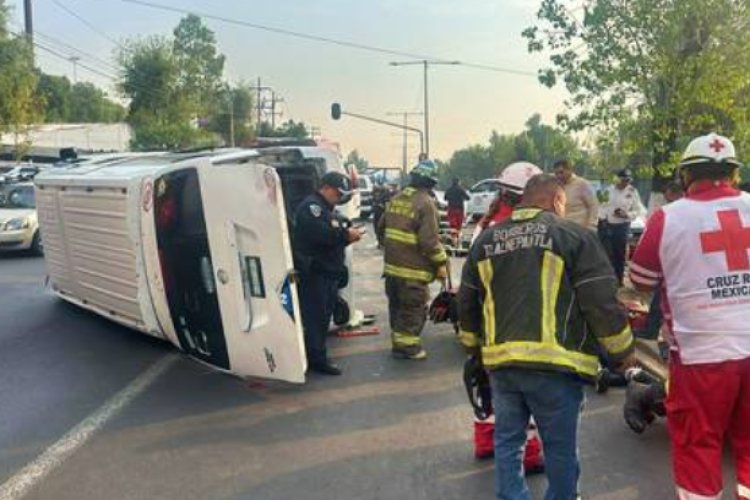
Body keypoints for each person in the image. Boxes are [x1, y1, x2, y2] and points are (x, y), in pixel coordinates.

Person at [458, 173, 635, 500]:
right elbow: (600, 302)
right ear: (556, 200)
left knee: (508, 442)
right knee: (560, 448)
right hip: (556, 367)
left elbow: (467, 302)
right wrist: (622, 351)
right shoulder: (573, 236)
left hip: (502, 367)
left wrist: (473, 349)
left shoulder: (486, 241)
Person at [629, 133, 750, 500]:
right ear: (732, 173)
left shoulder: (668, 218)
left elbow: (640, 282)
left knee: (698, 444)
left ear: (685, 176)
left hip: (700, 356)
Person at [464, 161, 545, 473]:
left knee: (487, 383)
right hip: (521, 317)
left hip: (488, 317)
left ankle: (485, 441)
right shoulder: (530, 228)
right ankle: (527, 453)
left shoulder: (486, 225)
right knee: (524, 390)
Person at [293, 172, 364, 375]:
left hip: (328, 273)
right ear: (326, 187)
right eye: (337, 193)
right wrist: (345, 235)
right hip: (316, 274)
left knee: (323, 317)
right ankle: (317, 360)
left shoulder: (326, 208)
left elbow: (333, 229)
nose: (339, 197)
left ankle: (317, 355)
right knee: (316, 318)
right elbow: (320, 234)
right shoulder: (312, 207)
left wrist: (346, 232)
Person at [377, 160, 448, 359]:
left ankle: (398, 343)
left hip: (392, 269)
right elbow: (429, 242)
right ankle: (407, 348)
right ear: (431, 182)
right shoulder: (426, 203)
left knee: (397, 307)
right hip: (413, 272)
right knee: (412, 310)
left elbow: (381, 229)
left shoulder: (397, 198)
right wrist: (441, 262)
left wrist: (393, 250)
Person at [599, 168, 646, 285]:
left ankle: (618, 280)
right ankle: (606, 279)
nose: (625, 183)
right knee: (606, 254)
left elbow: (639, 210)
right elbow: (601, 206)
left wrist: (627, 214)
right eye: (623, 180)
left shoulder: (632, 192)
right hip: (607, 225)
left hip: (622, 226)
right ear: (617, 179)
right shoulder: (608, 190)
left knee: (619, 255)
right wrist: (604, 219)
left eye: (628, 180)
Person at [553, 159, 599, 229]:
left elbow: (593, 206)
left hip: (580, 229)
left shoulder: (583, 184)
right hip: (563, 229)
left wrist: (591, 226)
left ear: (570, 170)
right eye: (556, 174)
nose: (559, 176)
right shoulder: (557, 186)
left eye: (561, 172)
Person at [444, 177, 470, 247]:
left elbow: (445, 198)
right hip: (460, 209)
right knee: (458, 226)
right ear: (458, 182)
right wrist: (461, 198)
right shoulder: (461, 189)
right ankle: (457, 240)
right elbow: (468, 198)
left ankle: (454, 240)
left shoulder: (449, 189)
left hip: (451, 209)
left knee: (453, 225)